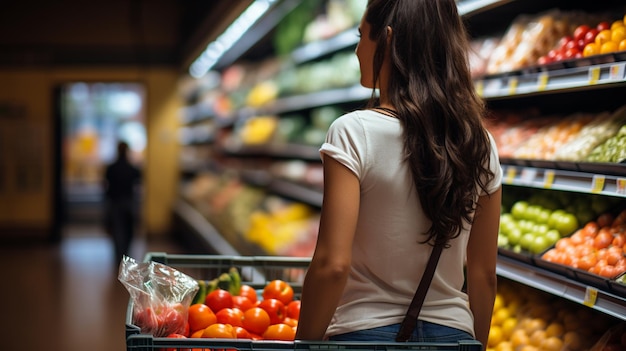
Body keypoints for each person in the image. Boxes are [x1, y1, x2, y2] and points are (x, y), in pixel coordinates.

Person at [295, 0, 503, 347]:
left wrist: (303, 344)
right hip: (454, 335)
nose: (359, 49)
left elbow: (332, 265)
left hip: (364, 332)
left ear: (387, 40)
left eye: (361, 36)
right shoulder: (479, 143)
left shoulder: (353, 131)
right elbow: (483, 276)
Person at [104, 141, 142, 264]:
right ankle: (126, 254)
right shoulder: (132, 169)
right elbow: (138, 182)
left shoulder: (111, 168)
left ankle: (118, 257)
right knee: (128, 230)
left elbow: (106, 187)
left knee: (117, 231)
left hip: (115, 203)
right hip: (129, 202)